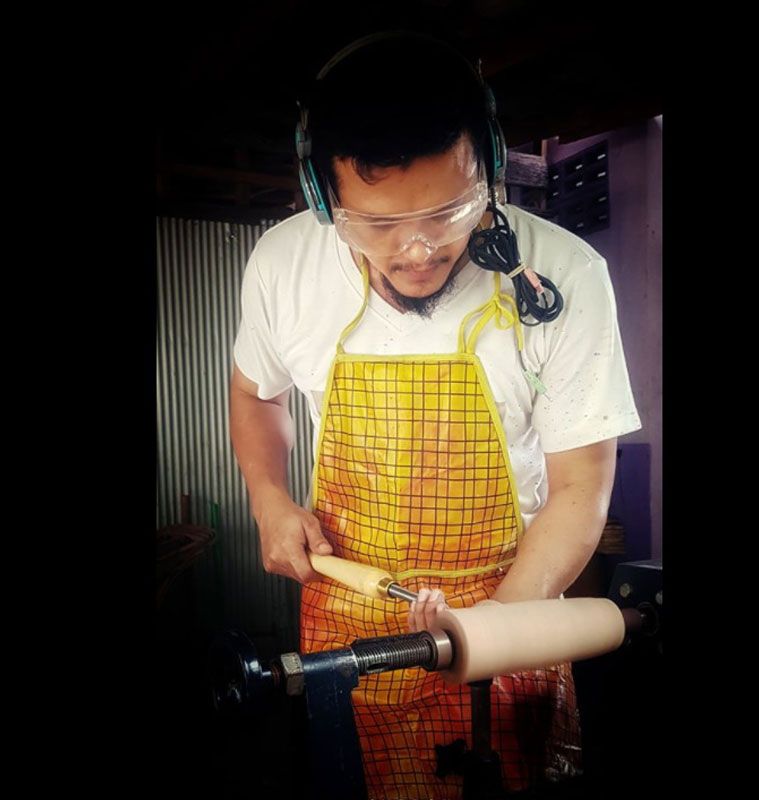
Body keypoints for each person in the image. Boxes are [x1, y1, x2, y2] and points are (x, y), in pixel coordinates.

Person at [230, 31, 642, 800]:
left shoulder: (565, 276)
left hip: (512, 601)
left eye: (450, 212)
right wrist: (269, 499)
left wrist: (490, 634)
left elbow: (581, 488)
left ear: (490, 166)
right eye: (378, 225)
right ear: (324, 198)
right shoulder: (284, 266)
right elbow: (256, 393)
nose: (418, 251)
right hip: (354, 613)